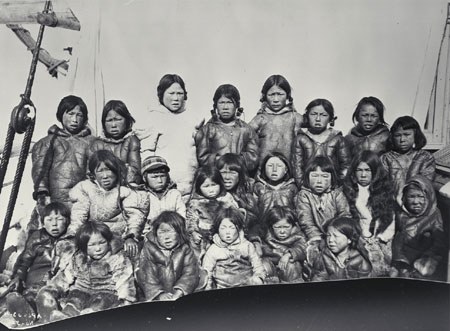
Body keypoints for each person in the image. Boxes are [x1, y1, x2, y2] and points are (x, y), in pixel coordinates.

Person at [36, 222, 136, 321]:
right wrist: (52, 289)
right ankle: (63, 318)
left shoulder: (116, 258)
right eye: (92, 245)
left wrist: (127, 301)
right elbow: (65, 276)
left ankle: (89, 318)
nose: (98, 249)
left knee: (99, 303)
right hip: (80, 291)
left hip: (105, 292)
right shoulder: (78, 257)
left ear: (108, 242)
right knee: (73, 302)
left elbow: (125, 281)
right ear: (84, 246)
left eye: (102, 243)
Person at [67, 150, 148, 258]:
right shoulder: (85, 188)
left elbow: (135, 215)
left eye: (108, 170)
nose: (105, 176)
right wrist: (73, 235)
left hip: (118, 235)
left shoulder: (127, 190)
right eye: (100, 171)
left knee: (120, 252)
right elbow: (79, 213)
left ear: (116, 171)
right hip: (94, 236)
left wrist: (131, 236)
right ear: (93, 174)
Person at [4, 203, 74, 326]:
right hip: (35, 281)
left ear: (67, 221)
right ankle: (26, 312)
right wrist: (18, 277)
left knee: (49, 297)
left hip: (55, 283)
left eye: (59, 219)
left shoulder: (70, 239)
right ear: (43, 222)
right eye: (49, 219)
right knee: (30, 295)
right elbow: (23, 261)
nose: (54, 224)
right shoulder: (37, 237)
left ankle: (46, 312)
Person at [139, 74, 204, 195]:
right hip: (163, 187)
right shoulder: (153, 118)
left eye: (179, 93)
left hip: (191, 186)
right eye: (171, 93)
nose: (176, 98)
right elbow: (146, 153)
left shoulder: (193, 118)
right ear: (161, 94)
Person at [31, 95, 95, 216]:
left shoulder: (93, 142)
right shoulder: (48, 142)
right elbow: (40, 171)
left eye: (79, 115)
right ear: (61, 115)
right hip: (56, 202)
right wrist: (43, 196)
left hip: (84, 202)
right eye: (70, 114)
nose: (74, 120)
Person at [343, 151, 395, 276]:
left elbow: (389, 218)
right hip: (358, 237)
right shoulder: (349, 191)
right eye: (359, 170)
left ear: (375, 172)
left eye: (367, 170)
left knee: (383, 264)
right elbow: (346, 217)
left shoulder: (383, 190)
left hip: (380, 236)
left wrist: (381, 237)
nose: (363, 175)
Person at [390, 176, 446, 281]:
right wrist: (400, 260)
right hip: (404, 257)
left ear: (429, 197)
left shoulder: (434, 214)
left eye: (420, 196)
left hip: (423, 257)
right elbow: (397, 238)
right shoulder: (401, 214)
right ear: (405, 198)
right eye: (411, 196)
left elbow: (439, 241)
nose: (416, 201)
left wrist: (426, 256)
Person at [136, 211, 200, 301]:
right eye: (162, 232)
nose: (166, 237)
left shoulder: (185, 248)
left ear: (179, 232)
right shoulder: (149, 248)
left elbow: (190, 272)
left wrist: (179, 292)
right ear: (155, 233)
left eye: (171, 231)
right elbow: (146, 274)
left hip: (178, 293)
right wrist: (159, 294)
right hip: (154, 296)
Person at [195, 84, 259, 172]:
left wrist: (235, 161)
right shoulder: (208, 130)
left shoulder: (246, 130)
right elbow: (202, 157)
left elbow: (253, 158)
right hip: (216, 177)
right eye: (221, 103)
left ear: (237, 105)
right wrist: (220, 161)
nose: (225, 107)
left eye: (229, 102)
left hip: (240, 176)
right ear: (216, 106)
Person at [292, 98, 351, 188]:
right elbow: (297, 167)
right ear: (306, 116)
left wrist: (336, 186)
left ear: (331, 119)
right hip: (307, 190)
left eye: (323, 115)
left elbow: (346, 166)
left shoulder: (338, 139)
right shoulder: (300, 139)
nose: (318, 119)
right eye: (313, 114)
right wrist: (304, 187)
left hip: (332, 190)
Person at [202, 207, 266, 289]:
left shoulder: (247, 246)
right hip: (222, 288)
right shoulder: (214, 249)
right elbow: (207, 272)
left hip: (247, 286)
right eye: (223, 228)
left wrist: (258, 278)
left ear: (239, 228)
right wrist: (208, 289)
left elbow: (258, 267)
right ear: (217, 229)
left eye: (232, 228)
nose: (227, 232)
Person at [249, 74, 303, 167]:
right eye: (271, 95)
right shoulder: (259, 119)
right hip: (262, 173)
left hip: (289, 172)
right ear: (265, 96)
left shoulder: (296, 118)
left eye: (280, 94)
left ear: (287, 95)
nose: (276, 100)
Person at [185, 165, 238, 261]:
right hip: (204, 238)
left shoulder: (226, 199)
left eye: (214, 185)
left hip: (224, 234)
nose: (211, 190)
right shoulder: (196, 203)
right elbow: (191, 220)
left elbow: (235, 216)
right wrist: (193, 232)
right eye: (206, 186)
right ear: (199, 187)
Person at [294, 156, 351, 242]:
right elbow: (306, 222)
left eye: (325, 176)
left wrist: (335, 236)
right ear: (307, 177)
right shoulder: (304, 195)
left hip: (335, 236)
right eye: (314, 176)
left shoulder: (337, 194)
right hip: (312, 237)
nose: (319, 181)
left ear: (332, 178)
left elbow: (345, 216)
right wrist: (318, 239)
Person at [380, 116, 435, 201]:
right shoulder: (386, 159)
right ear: (392, 137)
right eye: (397, 135)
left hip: (418, 203)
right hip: (392, 203)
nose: (402, 139)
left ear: (415, 135)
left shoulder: (425, 157)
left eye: (407, 134)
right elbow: (383, 186)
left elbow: (426, 185)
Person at [90, 100, 142, 185]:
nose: (113, 125)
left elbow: (135, 172)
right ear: (104, 123)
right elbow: (91, 173)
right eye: (109, 120)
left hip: (126, 187)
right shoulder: (97, 144)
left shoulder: (131, 140)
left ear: (127, 121)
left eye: (118, 120)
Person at [305, 217, 372, 281]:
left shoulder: (361, 262)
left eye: (336, 236)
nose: (330, 240)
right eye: (328, 235)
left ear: (349, 239)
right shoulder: (322, 257)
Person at [140, 155, 186, 237]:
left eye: (162, 176)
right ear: (144, 178)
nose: (160, 181)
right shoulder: (141, 196)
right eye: (154, 177)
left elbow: (182, 218)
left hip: (173, 234)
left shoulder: (174, 194)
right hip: (149, 236)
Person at [260, 206, 307, 283]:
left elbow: (302, 248)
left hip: (289, 267)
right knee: (262, 266)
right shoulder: (266, 234)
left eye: (286, 227)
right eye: (277, 227)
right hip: (271, 264)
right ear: (271, 226)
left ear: (293, 226)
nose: (282, 231)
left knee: (291, 266)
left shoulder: (298, 235)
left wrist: (289, 254)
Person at [216, 153, 258, 234]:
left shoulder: (247, 197)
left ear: (240, 175)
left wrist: (242, 215)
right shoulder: (212, 195)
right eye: (223, 172)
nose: (227, 177)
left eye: (233, 173)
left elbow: (255, 224)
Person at [254, 152, 298, 217]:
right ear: (264, 168)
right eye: (270, 166)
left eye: (279, 166)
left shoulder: (292, 188)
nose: (274, 169)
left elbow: (298, 212)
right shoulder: (258, 187)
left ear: (286, 170)